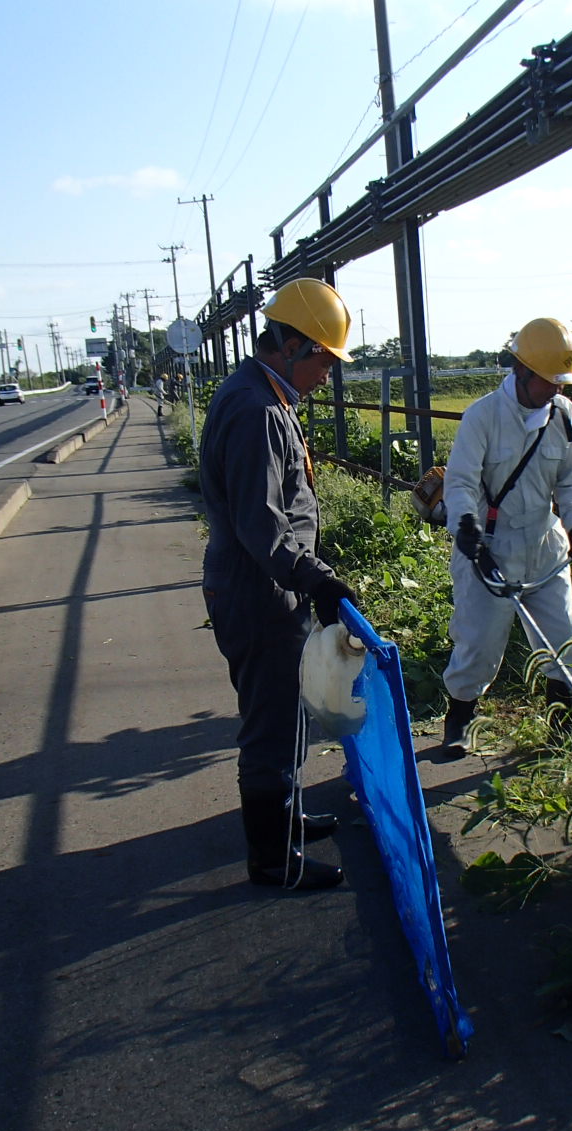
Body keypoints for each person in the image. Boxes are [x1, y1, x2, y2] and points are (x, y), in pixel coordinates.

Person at [198, 277, 360, 890]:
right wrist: (316, 579)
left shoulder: (266, 397)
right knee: (270, 723)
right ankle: (273, 862)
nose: (328, 372)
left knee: (286, 712)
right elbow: (260, 522)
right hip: (259, 592)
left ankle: (286, 821)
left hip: (269, 589)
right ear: (290, 344)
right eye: (323, 357)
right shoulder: (256, 409)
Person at [440, 317, 572, 759]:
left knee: (564, 640)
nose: (556, 390)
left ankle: (561, 730)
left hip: (545, 546)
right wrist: (466, 526)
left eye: (560, 382)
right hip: (490, 547)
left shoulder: (564, 416)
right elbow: (462, 483)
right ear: (522, 371)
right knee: (480, 641)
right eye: (549, 381)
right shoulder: (483, 416)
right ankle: (461, 718)